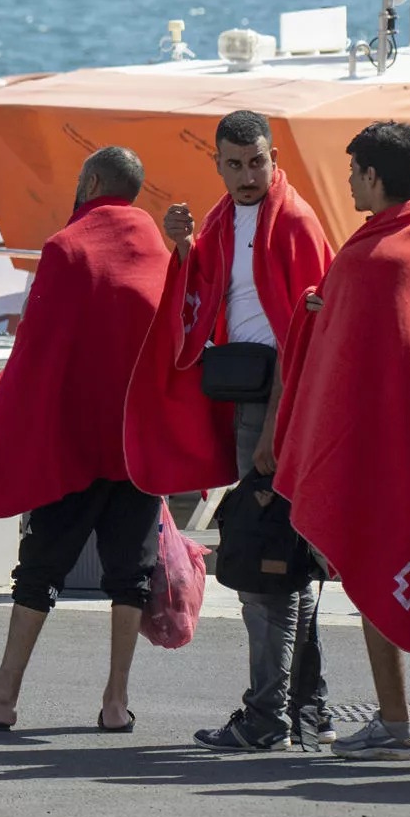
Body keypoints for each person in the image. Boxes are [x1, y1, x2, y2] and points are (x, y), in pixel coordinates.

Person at [0, 147, 168, 732]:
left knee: (40, 568)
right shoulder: (157, 248)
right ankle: (114, 703)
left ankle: (2, 696)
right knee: (130, 574)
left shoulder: (66, 246)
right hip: (134, 444)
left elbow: (37, 353)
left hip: (74, 443)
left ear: (92, 182)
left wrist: (5, 421)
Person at [122, 110, 335, 751]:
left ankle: (270, 717)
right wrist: (181, 247)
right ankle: (306, 709)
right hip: (250, 405)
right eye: (235, 164)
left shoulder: (293, 222)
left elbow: (303, 338)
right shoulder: (221, 220)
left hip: (280, 407)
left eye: (257, 163)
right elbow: (207, 297)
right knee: (285, 559)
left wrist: (273, 427)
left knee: (266, 563)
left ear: (274, 159)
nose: (247, 176)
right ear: (218, 163)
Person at [271, 122, 410, 760]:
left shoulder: (364, 258)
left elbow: (342, 368)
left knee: (374, 560)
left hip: (383, 452)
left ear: (373, 176)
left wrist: (314, 311)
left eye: (353, 173)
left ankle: (391, 720)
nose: (348, 182)